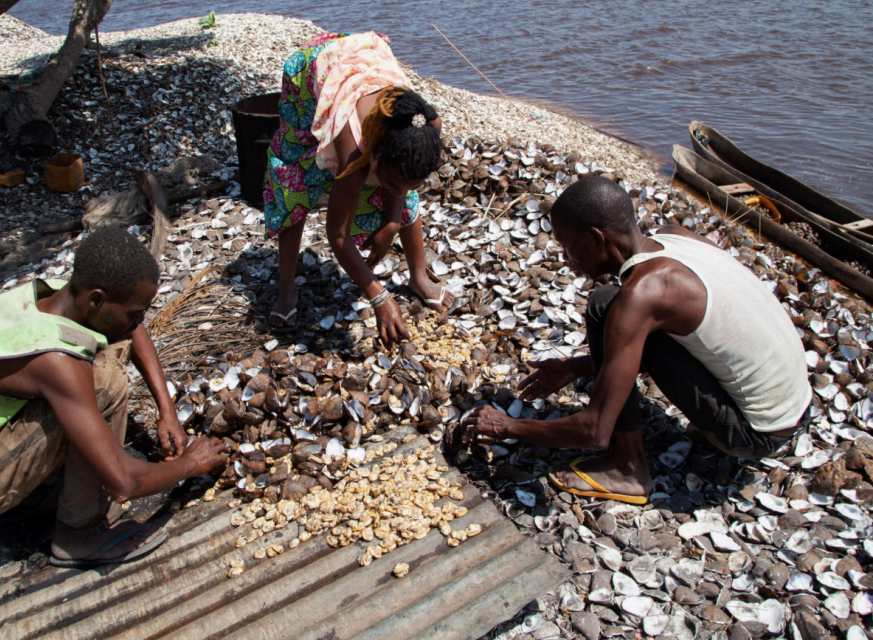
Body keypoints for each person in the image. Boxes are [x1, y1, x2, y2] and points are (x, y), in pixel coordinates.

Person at [459, 176, 812, 504]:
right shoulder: (674, 237)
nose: (567, 261)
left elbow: (595, 432)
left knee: (605, 305)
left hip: (756, 435)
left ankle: (628, 469)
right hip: (796, 411)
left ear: (597, 239)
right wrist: (576, 367)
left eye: (568, 248)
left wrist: (509, 427)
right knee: (617, 310)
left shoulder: (643, 294)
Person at [0, 228, 229, 567]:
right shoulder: (55, 361)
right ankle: (79, 535)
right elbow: (125, 481)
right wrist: (190, 464)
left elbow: (131, 327)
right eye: (136, 312)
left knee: (110, 342)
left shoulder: (60, 293)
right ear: (96, 299)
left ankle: (51, 486)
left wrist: (167, 411)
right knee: (105, 383)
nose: (140, 321)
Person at [263, 31, 453, 347]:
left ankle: (419, 278)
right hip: (313, 73)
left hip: (365, 60)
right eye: (388, 182)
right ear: (374, 155)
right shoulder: (354, 150)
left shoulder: (426, 126)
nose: (395, 192)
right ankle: (286, 289)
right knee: (294, 183)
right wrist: (378, 296)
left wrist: (393, 222)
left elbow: (401, 187)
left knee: (404, 191)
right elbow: (336, 235)